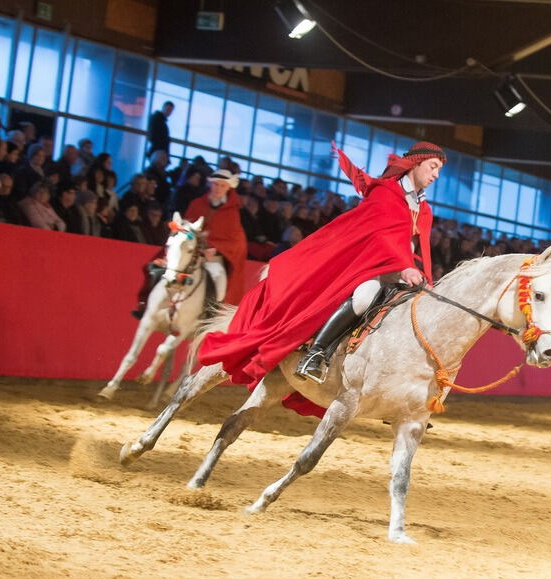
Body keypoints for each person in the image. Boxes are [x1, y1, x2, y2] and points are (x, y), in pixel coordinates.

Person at [198, 141, 442, 391]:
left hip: (405, 274)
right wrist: (403, 267)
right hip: (372, 266)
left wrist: (425, 278)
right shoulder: (386, 192)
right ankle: (316, 355)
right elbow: (380, 237)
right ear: (416, 163)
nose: (435, 174)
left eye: (438, 170)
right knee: (363, 298)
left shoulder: (424, 209)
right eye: (433, 167)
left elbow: (419, 248)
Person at [184, 169, 248, 304]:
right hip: (190, 254)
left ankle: (210, 314)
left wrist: (215, 249)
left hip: (215, 258)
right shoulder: (196, 204)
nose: (218, 188)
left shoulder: (232, 213)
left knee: (219, 287)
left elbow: (235, 241)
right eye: (215, 184)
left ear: (228, 188)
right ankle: (145, 304)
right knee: (160, 270)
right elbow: (186, 228)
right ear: (210, 185)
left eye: (222, 185)